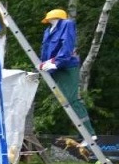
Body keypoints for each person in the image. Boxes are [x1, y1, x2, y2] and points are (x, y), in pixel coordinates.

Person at [39, 8, 93, 136]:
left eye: (50, 19)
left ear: (56, 18)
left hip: (66, 65)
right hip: (53, 66)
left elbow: (67, 46)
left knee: (71, 99)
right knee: (64, 100)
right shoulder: (48, 31)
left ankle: (89, 133)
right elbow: (45, 50)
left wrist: (55, 63)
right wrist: (43, 64)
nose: (48, 21)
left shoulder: (67, 24)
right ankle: (85, 133)